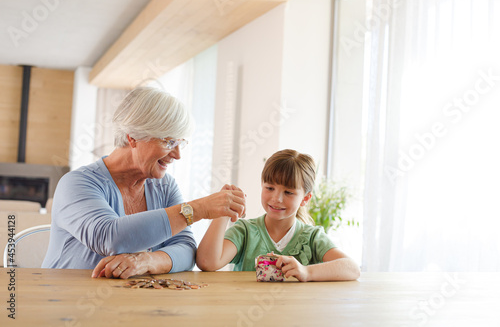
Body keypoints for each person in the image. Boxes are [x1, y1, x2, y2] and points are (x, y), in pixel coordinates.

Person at [42, 87, 246, 279]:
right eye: (168, 142)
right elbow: (110, 238)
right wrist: (198, 209)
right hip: (66, 303)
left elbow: (185, 248)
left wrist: (146, 261)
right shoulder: (76, 183)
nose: (177, 155)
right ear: (133, 138)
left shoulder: (164, 186)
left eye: (180, 143)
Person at [196, 149, 360, 281]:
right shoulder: (245, 231)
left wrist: (306, 272)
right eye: (269, 188)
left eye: (288, 192)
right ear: (262, 186)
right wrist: (223, 211)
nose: (276, 198)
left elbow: (352, 268)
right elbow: (207, 262)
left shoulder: (312, 237)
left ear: (305, 198)